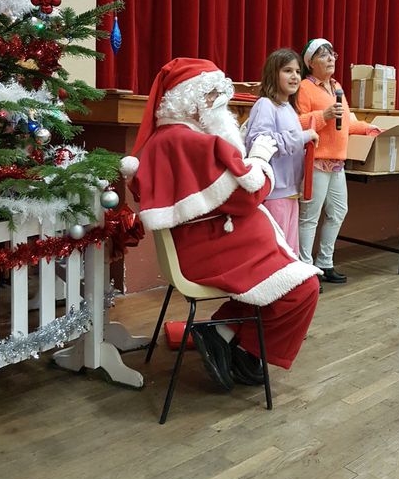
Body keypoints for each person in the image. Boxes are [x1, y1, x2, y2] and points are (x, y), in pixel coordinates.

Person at [121, 57, 321, 390]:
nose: (221, 104)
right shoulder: (192, 143)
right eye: (214, 95)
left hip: (209, 245)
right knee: (305, 288)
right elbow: (247, 196)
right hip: (214, 252)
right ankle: (242, 347)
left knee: (292, 285)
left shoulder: (170, 138)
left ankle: (222, 334)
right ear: (192, 98)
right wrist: (259, 159)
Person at [296, 38, 381, 283]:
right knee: (310, 216)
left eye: (333, 54)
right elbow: (296, 123)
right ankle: (305, 271)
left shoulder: (337, 88)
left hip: (337, 164)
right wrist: (322, 115)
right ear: (310, 62)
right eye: (324, 55)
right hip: (316, 161)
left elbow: (346, 124)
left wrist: (368, 128)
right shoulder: (304, 87)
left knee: (338, 212)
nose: (331, 58)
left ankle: (325, 262)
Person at [244, 49, 319, 254]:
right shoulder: (265, 105)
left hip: (291, 193)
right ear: (273, 73)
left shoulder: (288, 108)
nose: (295, 76)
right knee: (275, 254)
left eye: (297, 71)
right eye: (287, 70)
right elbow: (260, 143)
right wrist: (304, 136)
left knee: (289, 253)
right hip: (274, 195)